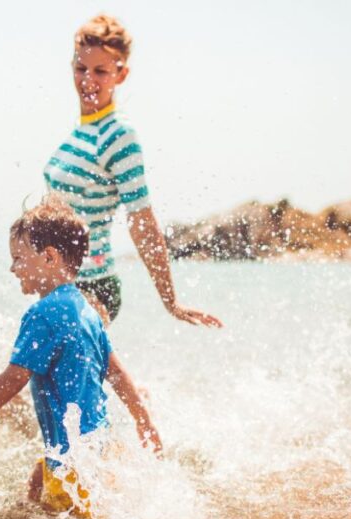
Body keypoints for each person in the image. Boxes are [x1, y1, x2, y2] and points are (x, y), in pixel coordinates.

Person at [0, 196, 162, 517]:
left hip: (70, 461)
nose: (12, 268)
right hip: (93, 450)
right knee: (37, 488)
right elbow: (118, 375)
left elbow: (13, 378)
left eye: (18, 258)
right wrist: (144, 421)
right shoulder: (86, 311)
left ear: (49, 257)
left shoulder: (42, 314)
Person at [43, 14, 222, 327]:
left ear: (121, 74)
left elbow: (141, 218)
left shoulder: (118, 135)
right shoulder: (78, 134)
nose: (88, 80)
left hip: (90, 285)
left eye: (101, 71)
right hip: (58, 284)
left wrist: (170, 300)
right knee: (47, 377)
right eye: (81, 68)